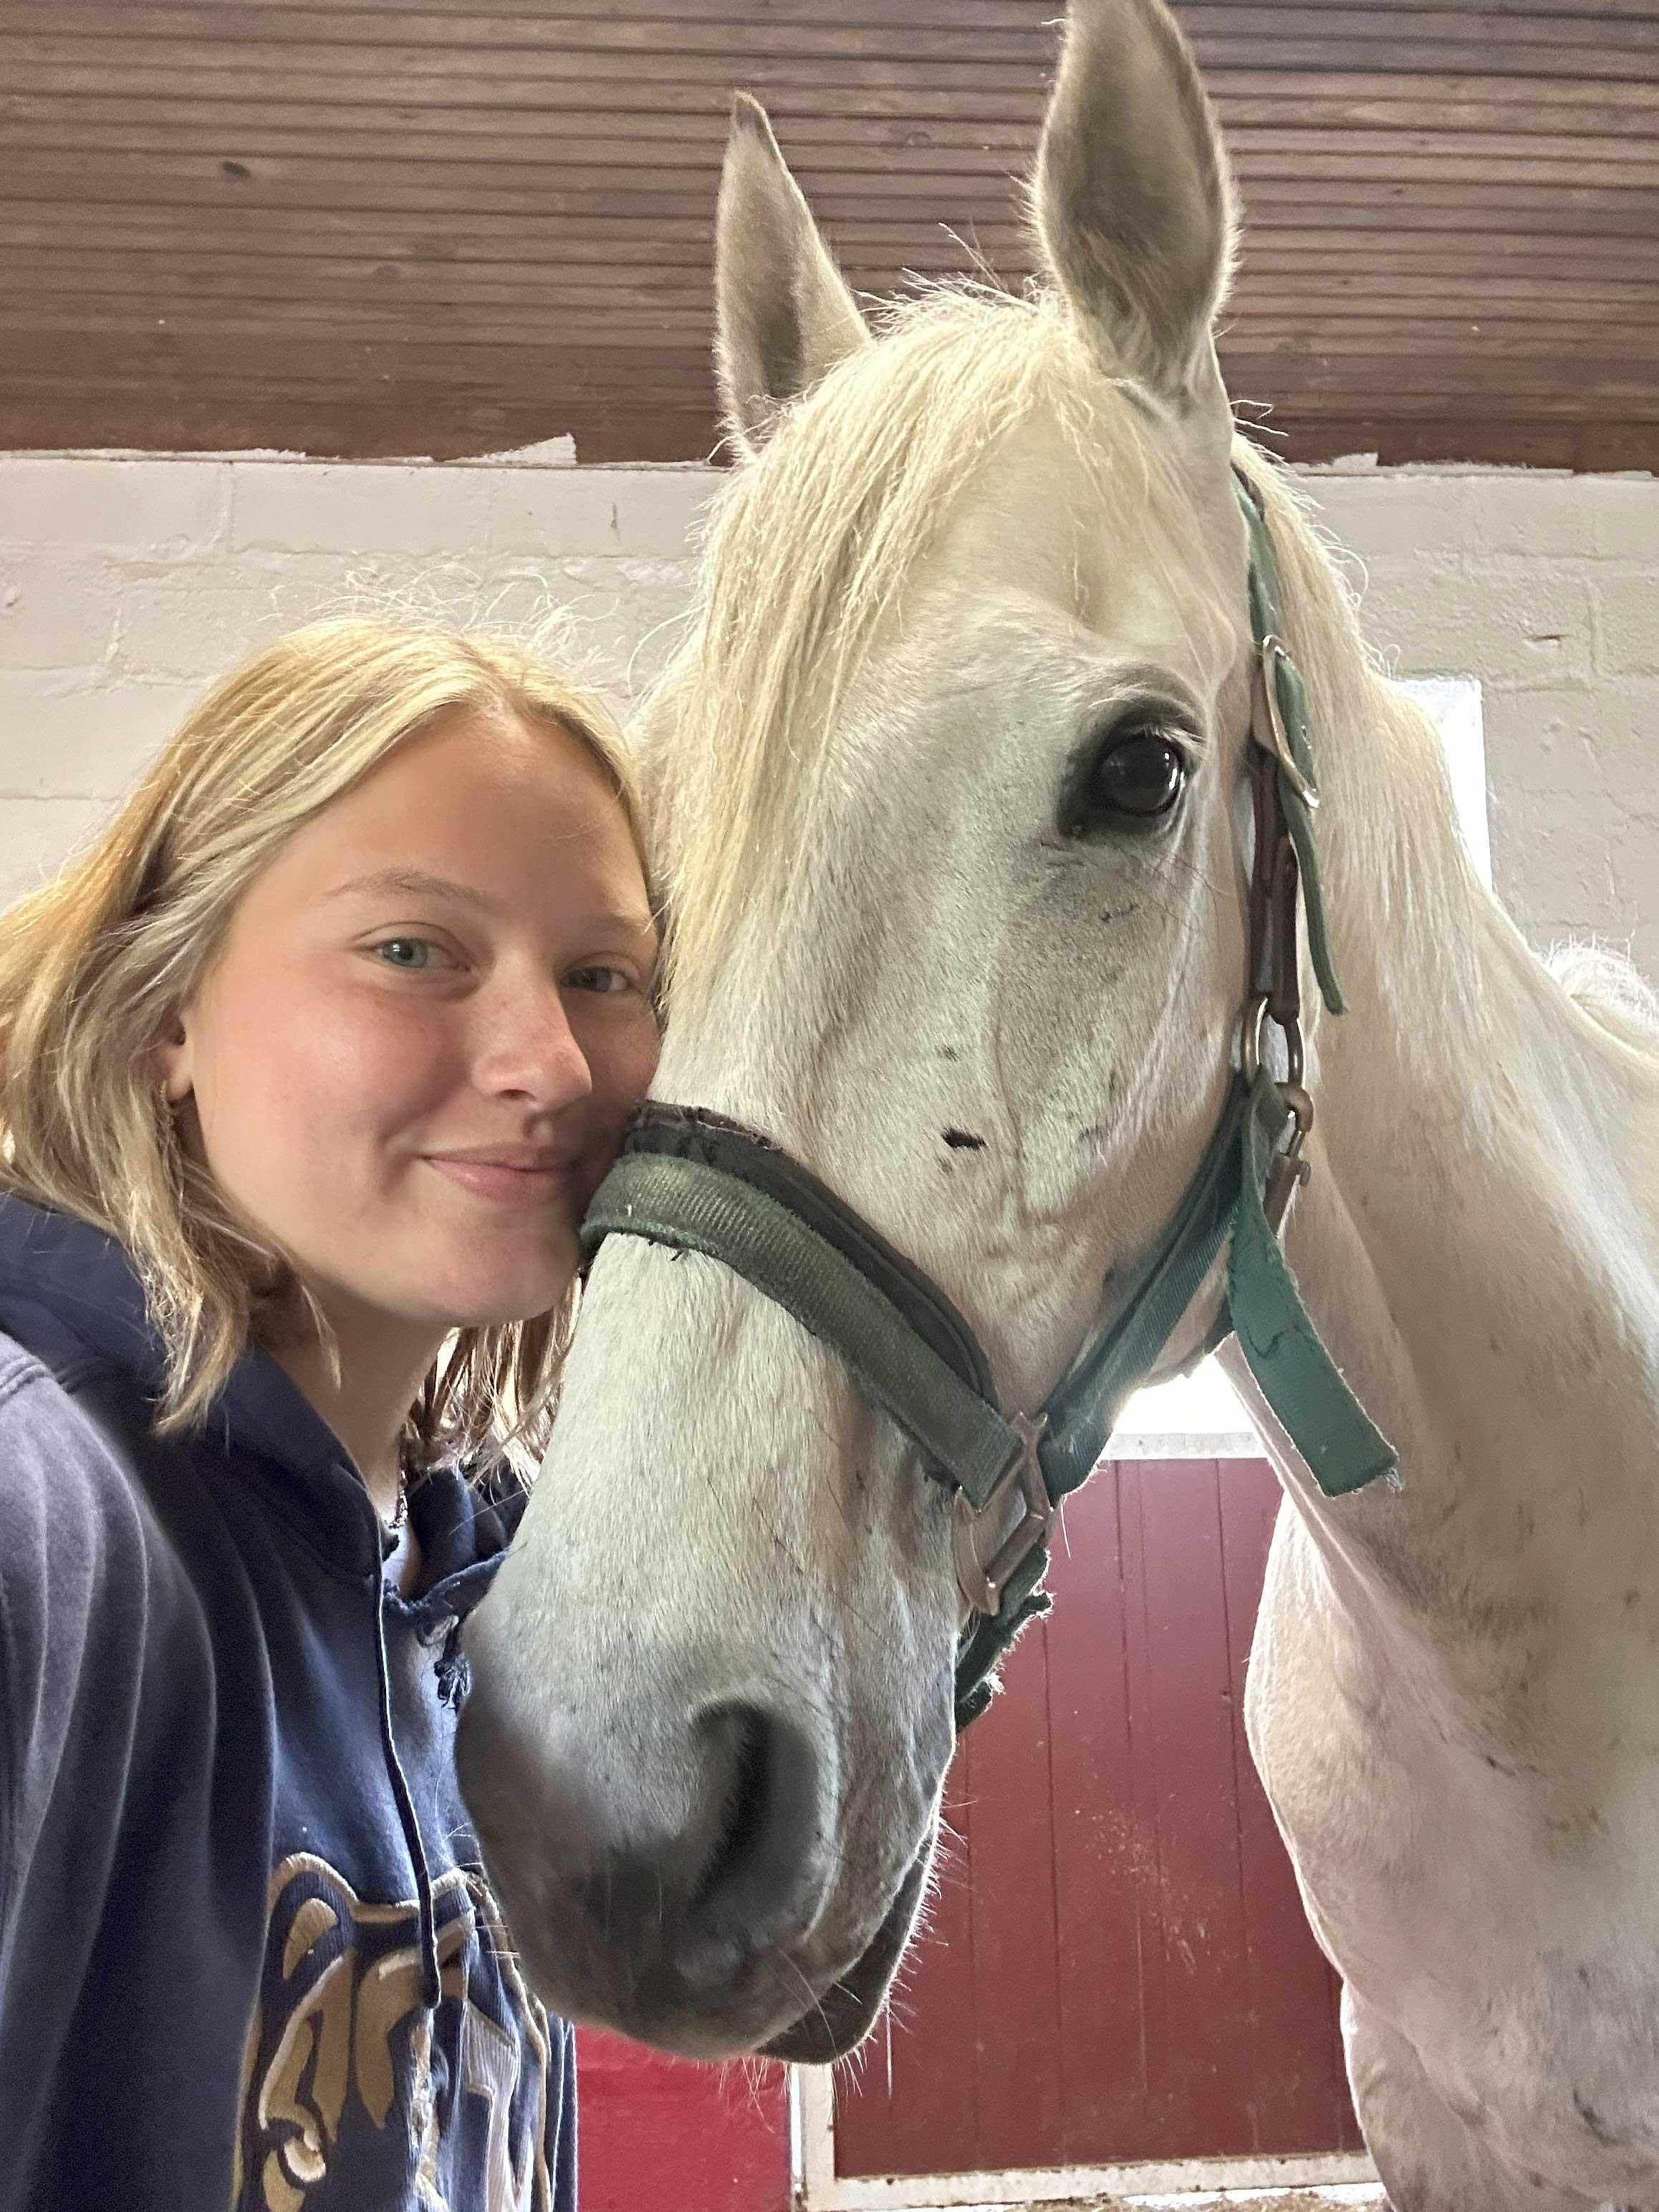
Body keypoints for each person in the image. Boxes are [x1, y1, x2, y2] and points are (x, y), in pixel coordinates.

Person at [0, 617, 661, 2210]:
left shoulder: (483, 1585)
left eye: (604, 974)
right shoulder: (46, 1513)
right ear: (166, 1005)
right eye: (413, 948)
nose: (553, 1060)